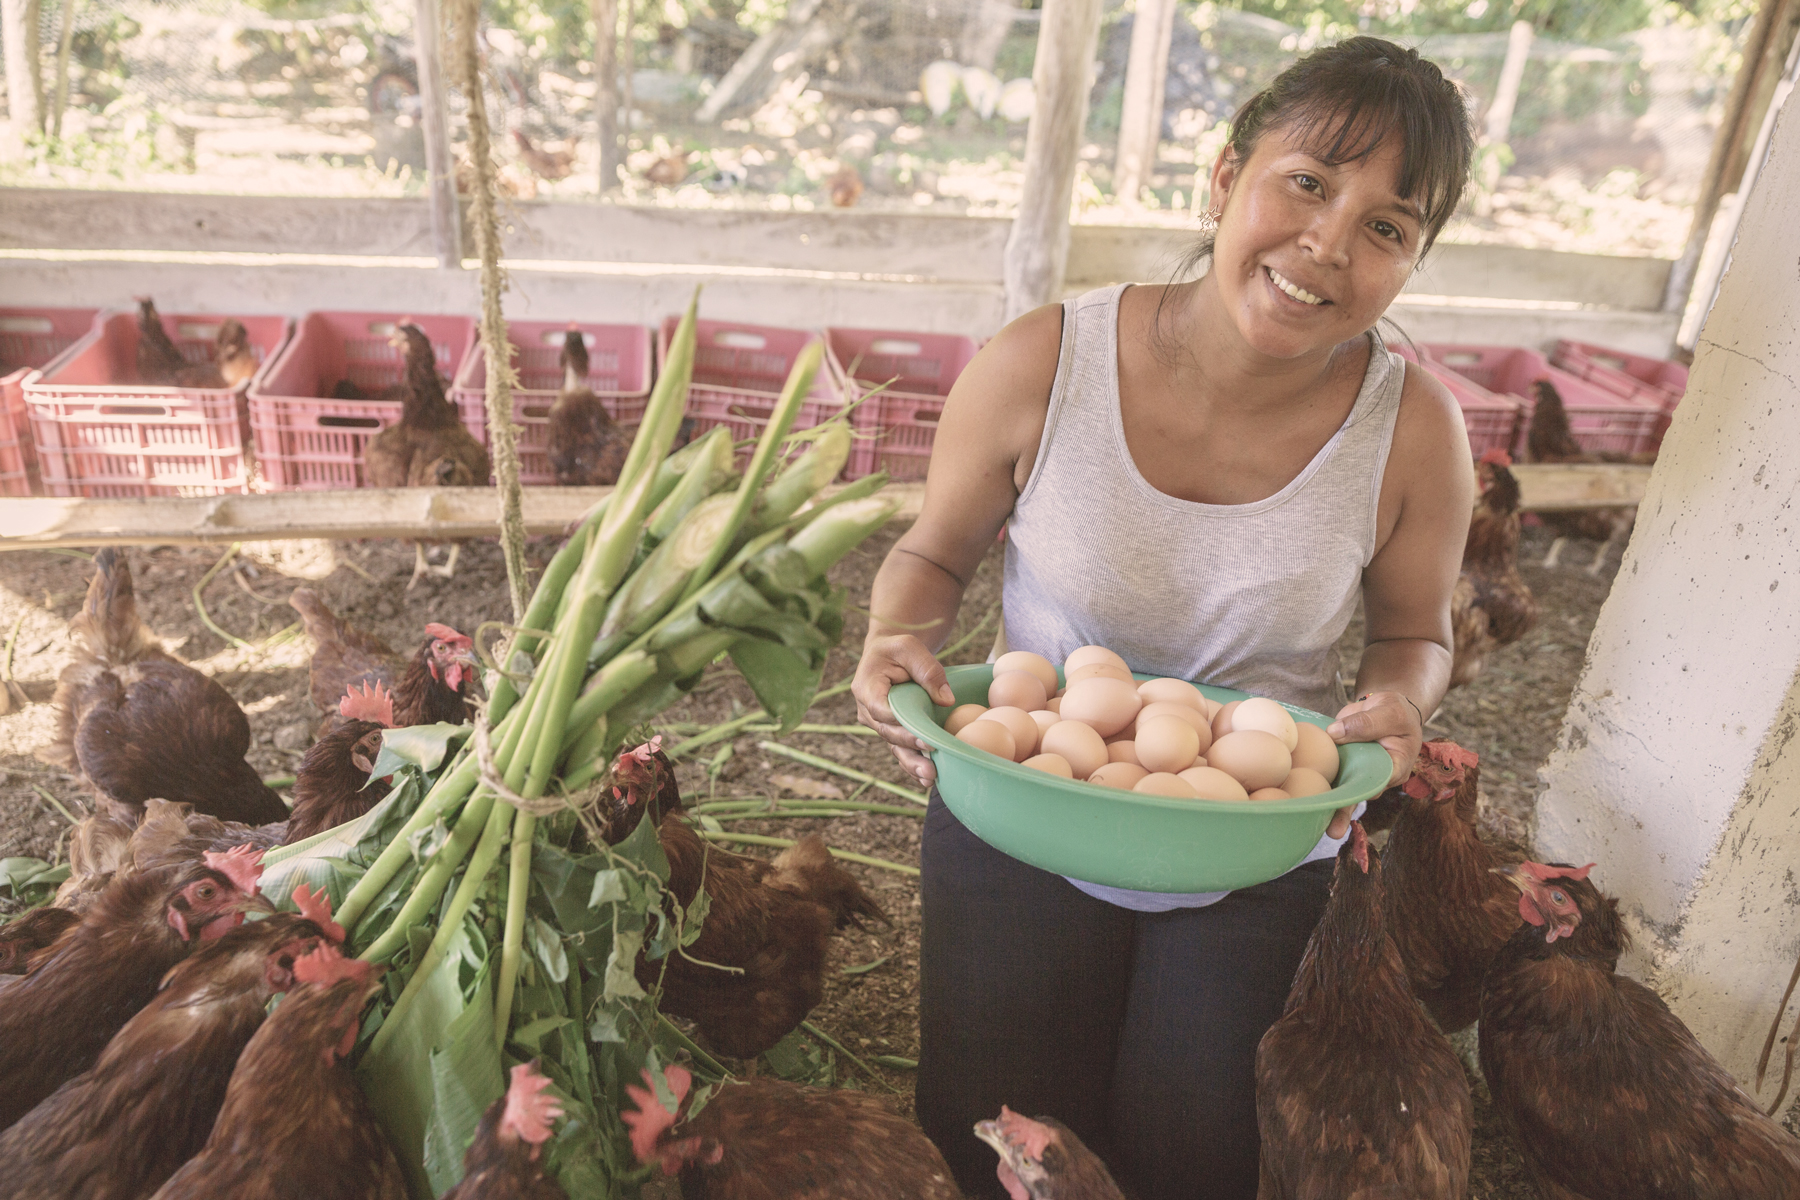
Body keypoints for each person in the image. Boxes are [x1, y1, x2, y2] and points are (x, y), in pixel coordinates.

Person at [851, 36, 1477, 1200]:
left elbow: (1417, 633)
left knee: (1192, 1155)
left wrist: (1401, 701)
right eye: (1307, 183)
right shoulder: (1047, 360)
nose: (1329, 245)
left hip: (1261, 838)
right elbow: (933, 551)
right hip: (1026, 798)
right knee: (992, 1141)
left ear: (1413, 261)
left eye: (1388, 227)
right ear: (1225, 173)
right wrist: (901, 634)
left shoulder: (1416, 433)